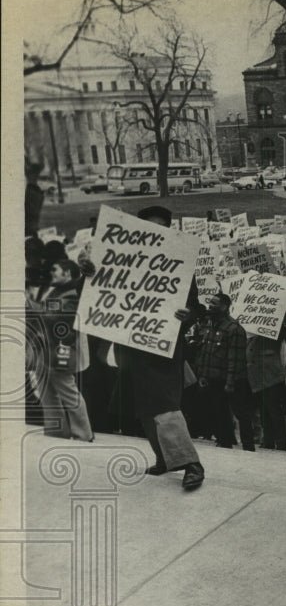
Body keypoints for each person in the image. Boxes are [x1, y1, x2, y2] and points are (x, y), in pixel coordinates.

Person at [114, 205, 204, 491]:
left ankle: (191, 464)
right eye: (150, 228)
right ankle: (164, 458)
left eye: (160, 228)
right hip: (131, 348)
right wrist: (90, 272)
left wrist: (188, 314)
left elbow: (195, 305)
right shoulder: (123, 261)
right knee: (143, 408)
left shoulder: (180, 264)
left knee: (165, 406)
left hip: (163, 346)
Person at [26, 259, 94, 442]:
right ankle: (57, 433)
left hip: (58, 351)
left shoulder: (71, 295)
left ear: (67, 274)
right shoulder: (58, 292)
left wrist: (31, 306)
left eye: (56, 270)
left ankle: (84, 434)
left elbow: (57, 319)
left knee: (68, 393)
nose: (52, 273)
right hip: (46, 351)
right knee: (48, 394)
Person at [193, 292, 254, 452]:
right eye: (210, 303)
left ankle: (248, 446)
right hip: (214, 379)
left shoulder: (234, 329)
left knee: (241, 412)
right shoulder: (210, 326)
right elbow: (205, 353)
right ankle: (224, 440)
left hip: (231, 380)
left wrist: (230, 382)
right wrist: (203, 375)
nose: (210, 306)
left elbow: (236, 358)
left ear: (225, 306)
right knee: (219, 411)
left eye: (214, 303)